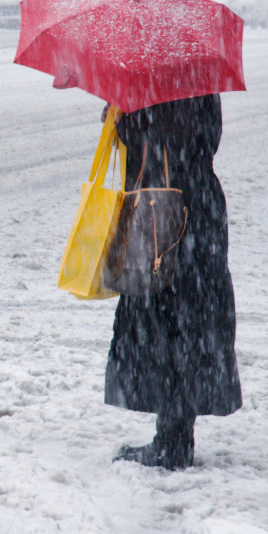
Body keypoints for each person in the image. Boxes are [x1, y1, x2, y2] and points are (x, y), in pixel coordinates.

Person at [107, 95, 240, 471]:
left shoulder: (152, 86)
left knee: (165, 322)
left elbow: (146, 138)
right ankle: (175, 434)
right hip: (200, 207)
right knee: (192, 322)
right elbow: (206, 137)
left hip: (162, 214)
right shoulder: (198, 77)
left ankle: (172, 443)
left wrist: (124, 115)